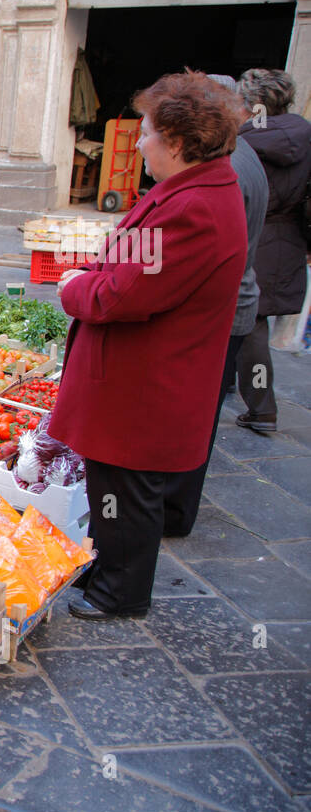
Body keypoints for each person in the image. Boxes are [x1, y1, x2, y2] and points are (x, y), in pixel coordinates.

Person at [48, 71, 248, 621]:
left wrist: (75, 287)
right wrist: (94, 271)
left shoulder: (194, 207)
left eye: (147, 133)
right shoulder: (189, 190)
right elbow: (130, 257)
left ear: (178, 142)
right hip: (143, 370)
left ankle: (122, 592)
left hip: (149, 378)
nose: (138, 143)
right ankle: (109, 567)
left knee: (128, 486)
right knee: (116, 481)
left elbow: (125, 294)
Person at [161, 75, 268, 537]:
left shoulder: (225, 171)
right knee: (198, 415)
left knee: (191, 419)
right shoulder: (242, 158)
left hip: (222, 312)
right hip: (235, 303)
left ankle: (173, 514)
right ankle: (174, 508)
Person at [233, 68, 311, 432]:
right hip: (287, 237)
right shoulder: (303, 136)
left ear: (251, 106)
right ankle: (247, 394)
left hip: (255, 234)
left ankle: (262, 407)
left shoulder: (248, 144)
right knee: (253, 322)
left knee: (251, 325)